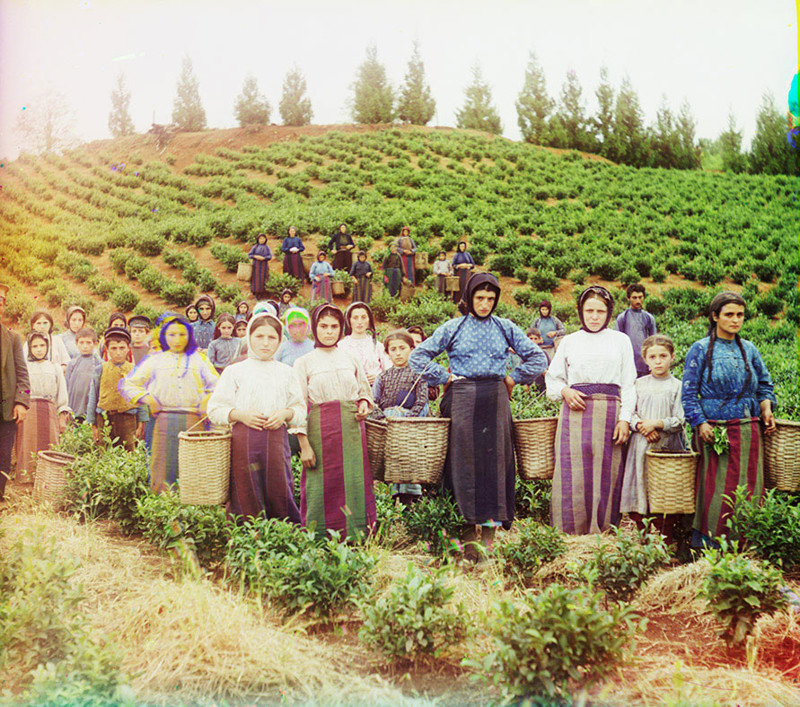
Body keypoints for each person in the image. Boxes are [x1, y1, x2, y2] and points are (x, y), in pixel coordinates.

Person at [410, 274, 547, 560]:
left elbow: (538, 358)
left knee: (495, 467)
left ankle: (489, 538)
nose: (485, 304)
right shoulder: (454, 327)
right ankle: (467, 538)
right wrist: (444, 375)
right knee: (463, 466)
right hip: (462, 399)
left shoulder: (504, 327)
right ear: (469, 297)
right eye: (479, 298)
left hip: (495, 401)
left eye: (491, 299)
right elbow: (418, 357)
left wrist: (513, 378)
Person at [681, 291, 776, 549]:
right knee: (717, 487)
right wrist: (700, 423)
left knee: (749, 485)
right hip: (716, 430)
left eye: (740, 315)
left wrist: (766, 407)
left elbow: (765, 385)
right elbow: (688, 393)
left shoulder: (749, 349)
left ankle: (747, 544)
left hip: (749, 429)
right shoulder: (700, 349)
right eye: (729, 315)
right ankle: (709, 545)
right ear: (715, 316)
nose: (736, 320)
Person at [545, 286, 636, 535]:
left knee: (607, 472)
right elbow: (552, 380)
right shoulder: (569, 342)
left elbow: (629, 384)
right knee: (573, 472)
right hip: (575, 414)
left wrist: (624, 420)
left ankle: (603, 531)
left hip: (609, 415)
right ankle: (569, 533)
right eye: (589, 311)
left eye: (600, 311)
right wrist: (565, 392)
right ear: (580, 312)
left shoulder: (621, 340)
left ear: (608, 314)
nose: (594, 316)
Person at [207, 312, 305, 522]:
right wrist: (240, 415)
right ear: (249, 337)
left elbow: (300, 409)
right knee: (245, 488)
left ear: (280, 340)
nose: (265, 343)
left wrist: (285, 414)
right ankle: (247, 538)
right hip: (244, 441)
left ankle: (282, 537)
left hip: (276, 440)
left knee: (279, 486)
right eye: (259, 336)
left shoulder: (286, 372)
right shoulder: (235, 371)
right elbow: (214, 409)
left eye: (272, 338)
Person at [293, 304, 377, 540]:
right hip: (320, 432)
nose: (329, 332)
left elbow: (364, 391)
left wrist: (363, 405)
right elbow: (298, 405)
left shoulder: (350, 358)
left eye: (334, 326)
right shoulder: (304, 362)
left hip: (351, 430)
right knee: (320, 484)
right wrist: (304, 444)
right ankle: (319, 538)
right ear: (314, 328)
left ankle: (358, 535)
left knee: (353, 482)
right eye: (323, 326)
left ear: (342, 329)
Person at [120, 316, 219, 493]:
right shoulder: (155, 360)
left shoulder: (199, 360)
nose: (177, 339)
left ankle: (191, 513)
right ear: (164, 336)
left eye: (182, 334)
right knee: (161, 466)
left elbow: (217, 385)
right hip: (163, 420)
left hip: (193, 421)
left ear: (189, 335)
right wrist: (147, 399)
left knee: (191, 468)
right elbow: (128, 384)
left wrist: (206, 401)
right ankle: (163, 512)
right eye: (172, 334)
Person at [620, 334, 686, 545]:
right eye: (653, 357)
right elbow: (629, 412)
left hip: (667, 450)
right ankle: (644, 539)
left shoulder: (678, 386)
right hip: (641, 447)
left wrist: (657, 424)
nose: (658, 361)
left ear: (672, 357)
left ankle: (667, 540)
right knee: (641, 489)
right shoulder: (638, 384)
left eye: (663, 356)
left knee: (666, 493)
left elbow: (680, 420)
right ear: (645, 359)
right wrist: (641, 426)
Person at [371, 329, 429, 504]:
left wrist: (408, 418)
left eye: (402, 348)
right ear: (387, 353)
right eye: (393, 349)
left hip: (412, 427)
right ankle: (393, 499)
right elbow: (374, 402)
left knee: (410, 460)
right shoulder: (383, 377)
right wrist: (383, 418)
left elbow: (422, 400)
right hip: (390, 428)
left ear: (411, 349)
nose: (398, 353)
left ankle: (411, 500)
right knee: (393, 461)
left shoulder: (418, 374)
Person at [17, 332, 71, 482]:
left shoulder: (55, 367)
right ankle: (27, 479)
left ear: (48, 347)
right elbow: (22, 389)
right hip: (29, 411)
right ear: (29, 348)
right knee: (27, 445)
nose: (39, 349)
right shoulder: (24, 368)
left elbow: (61, 393)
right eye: (34, 346)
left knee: (50, 445)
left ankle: (48, 480)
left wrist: (62, 415)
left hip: (49, 410)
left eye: (42, 345)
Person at [86, 327, 147, 452]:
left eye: (122, 348)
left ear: (128, 349)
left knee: (129, 452)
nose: (118, 352)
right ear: (107, 350)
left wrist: (141, 423)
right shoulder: (100, 370)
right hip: (104, 419)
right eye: (113, 348)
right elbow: (93, 396)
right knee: (104, 452)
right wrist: (93, 425)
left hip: (128, 420)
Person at [0, 283, 30, 501]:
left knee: (2, 456)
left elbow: (24, 376)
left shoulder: (13, 338)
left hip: (5, 410)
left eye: (1, 300)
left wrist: (21, 401)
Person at [337, 302, 390, 386]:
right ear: (349, 320)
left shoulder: (377, 346)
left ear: (369, 320)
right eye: (355, 318)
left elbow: (389, 370)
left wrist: (378, 377)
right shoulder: (341, 346)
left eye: (363, 317)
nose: (359, 322)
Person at [616, 284, 658, 378]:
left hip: (645, 363)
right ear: (628, 298)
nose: (638, 301)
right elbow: (618, 342)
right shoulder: (623, 317)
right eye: (634, 298)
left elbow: (653, 342)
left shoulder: (649, 318)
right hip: (628, 362)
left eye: (640, 297)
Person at [64, 327, 103, 423]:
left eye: (88, 343)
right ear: (76, 344)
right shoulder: (72, 364)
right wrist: (66, 409)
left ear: (94, 344)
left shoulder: (100, 364)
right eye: (81, 342)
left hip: (92, 410)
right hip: (74, 409)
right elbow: (66, 387)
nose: (85, 346)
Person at [406, 325, 439, 401]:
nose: (414, 344)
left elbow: (434, 395)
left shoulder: (427, 366)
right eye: (411, 340)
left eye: (417, 342)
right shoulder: (395, 362)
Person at [248, 233, 273, 299]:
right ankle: (256, 292)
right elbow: (249, 255)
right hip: (256, 265)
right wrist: (255, 256)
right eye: (260, 238)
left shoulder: (267, 247)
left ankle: (263, 293)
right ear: (258, 239)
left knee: (264, 278)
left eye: (263, 238)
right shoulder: (255, 247)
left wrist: (264, 258)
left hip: (264, 265)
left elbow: (270, 256)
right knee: (256, 278)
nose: (262, 240)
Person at [525, 327, 547, 395]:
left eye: (535, 338)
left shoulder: (544, 354)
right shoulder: (524, 355)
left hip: (543, 386)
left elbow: (549, 372)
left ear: (539, 340)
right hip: (530, 386)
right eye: (531, 338)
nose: (533, 341)